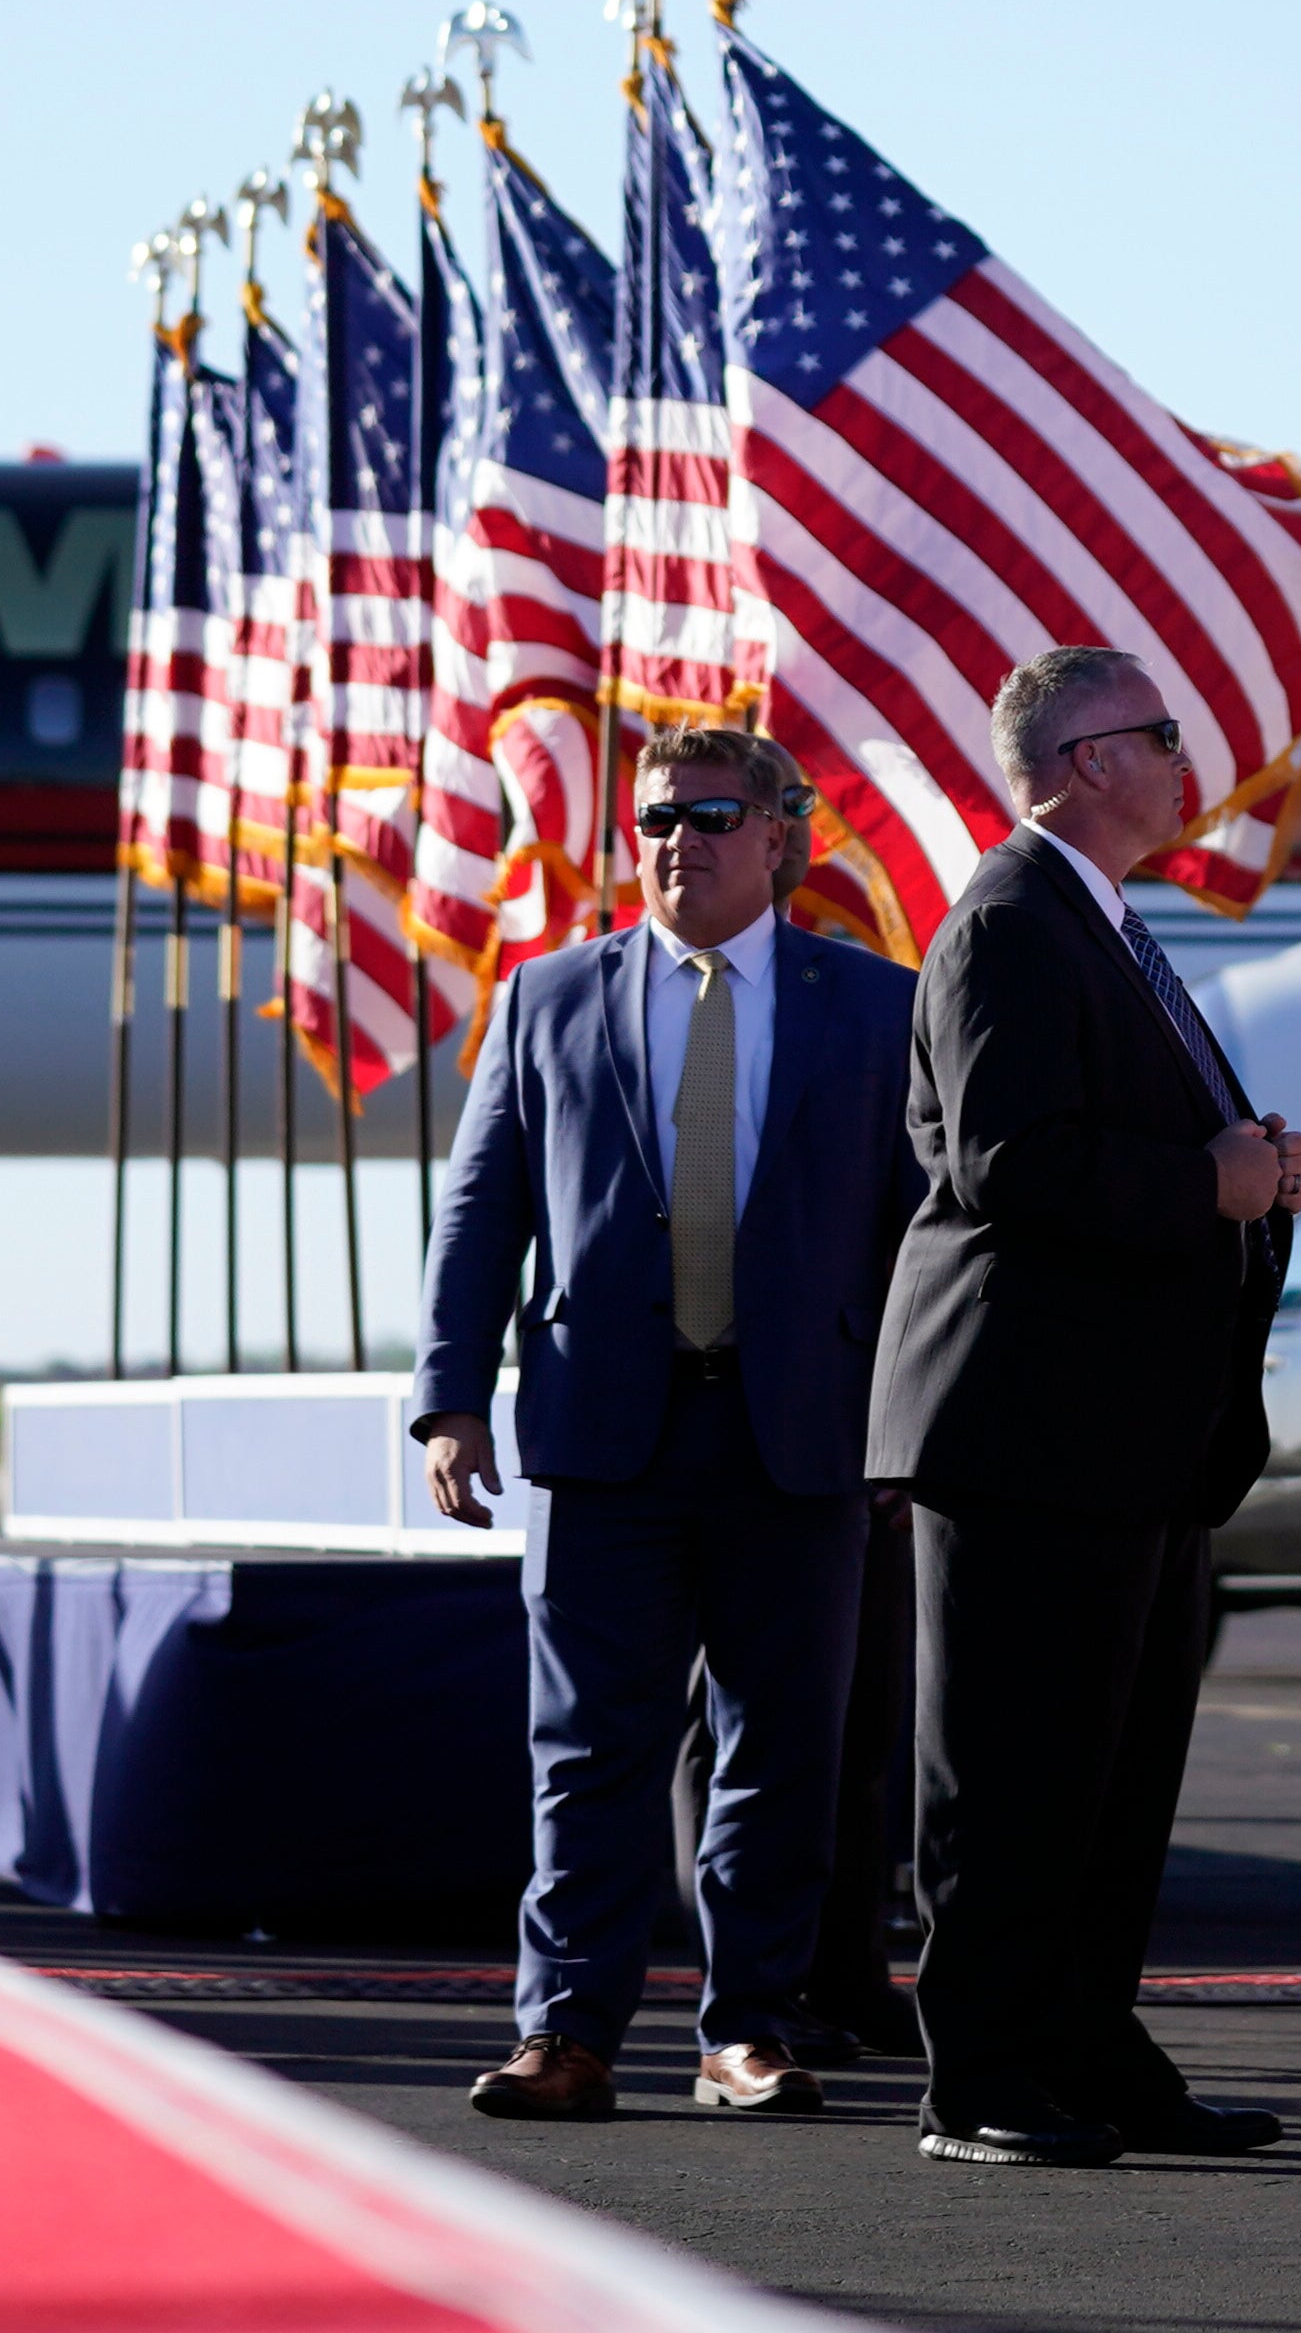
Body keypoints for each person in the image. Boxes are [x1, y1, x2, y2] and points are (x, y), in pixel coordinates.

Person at [411, 721, 922, 2124]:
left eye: (708, 815)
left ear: (777, 835)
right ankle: (563, 2033)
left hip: (799, 1439)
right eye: (651, 820)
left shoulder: (875, 1006)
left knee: (779, 1749)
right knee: (587, 1751)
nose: (674, 840)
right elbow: (479, 1214)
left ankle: (744, 2030)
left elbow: (917, 1231)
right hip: (602, 1437)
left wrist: (906, 1422)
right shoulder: (548, 995)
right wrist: (450, 1398)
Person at [863, 647, 1301, 2170]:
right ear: (1071, 766)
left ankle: (1087, 2046)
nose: (1186, 755)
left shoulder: (1104, 926)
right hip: (1025, 1426)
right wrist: (1207, 1177)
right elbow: (1006, 1158)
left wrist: (1247, 1157)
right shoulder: (1007, 920)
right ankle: (980, 2076)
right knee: (1010, 1772)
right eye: (1155, 734)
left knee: (1111, 1780)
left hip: (1122, 1432)